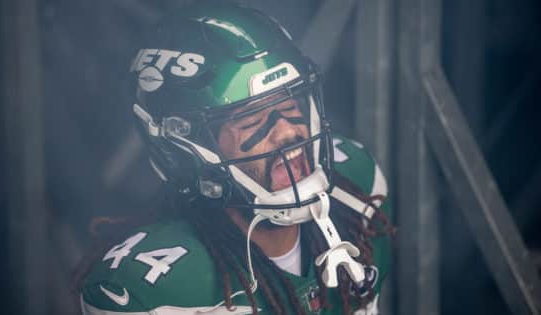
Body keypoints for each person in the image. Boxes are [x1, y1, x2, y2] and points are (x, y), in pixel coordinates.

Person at [77, 2, 394, 315]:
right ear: (185, 148)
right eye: (251, 120)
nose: (286, 132)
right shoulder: (156, 293)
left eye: (290, 104)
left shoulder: (357, 185)